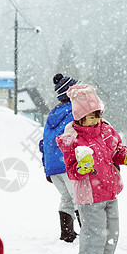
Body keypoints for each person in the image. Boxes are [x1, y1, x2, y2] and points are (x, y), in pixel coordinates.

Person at [56, 84, 127, 254]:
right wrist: (81, 167)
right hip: (89, 195)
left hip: (110, 190)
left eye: (98, 115)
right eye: (92, 116)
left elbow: (117, 151)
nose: (96, 120)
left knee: (111, 233)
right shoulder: (72, 138)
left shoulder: (106, 130)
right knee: (94, 234)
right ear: (79, 116)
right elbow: (71, 170)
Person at [39, 73, 82, 243]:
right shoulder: (75, 112)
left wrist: (47, 166)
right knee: (79, 197)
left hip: (53, 166)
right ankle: (88, 232)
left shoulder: (52, 114)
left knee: (66, 198)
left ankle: (67, 233)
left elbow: (44, 143)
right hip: (67, 163)